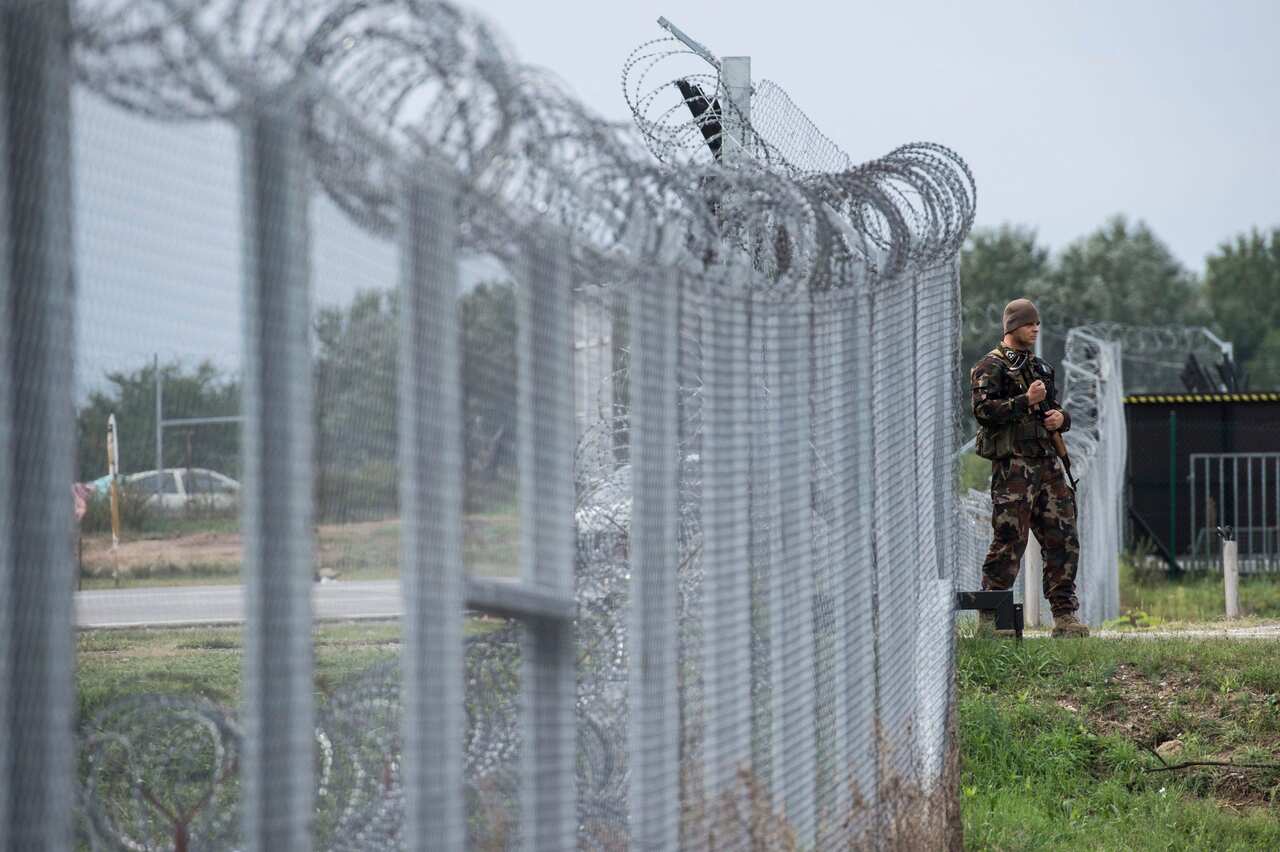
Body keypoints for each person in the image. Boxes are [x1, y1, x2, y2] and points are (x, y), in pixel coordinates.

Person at [970, 298, 1089, 638]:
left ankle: (1065, 615)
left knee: (1063, 537)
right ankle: (991, 620)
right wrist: (1025, 401)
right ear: (1012, 327)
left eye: (1037, 323)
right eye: (1029, 323)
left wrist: (1061, 418)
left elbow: (1055, 409)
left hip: (1047, 464)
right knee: (1010, 539)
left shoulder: (1040, 369)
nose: (1035, 328)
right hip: (1014, 468)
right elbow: (983, 412)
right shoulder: (990, 367)